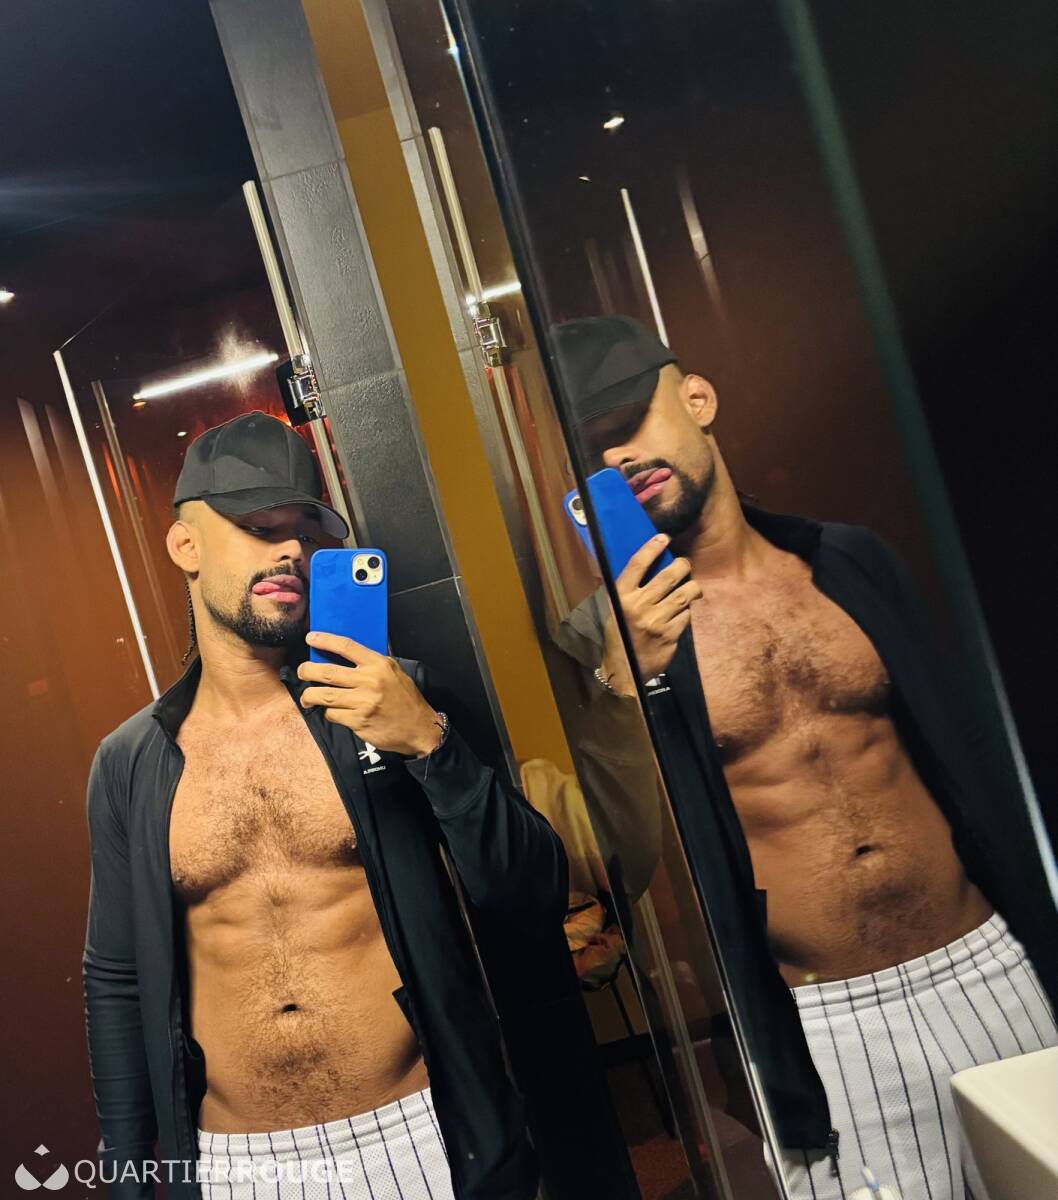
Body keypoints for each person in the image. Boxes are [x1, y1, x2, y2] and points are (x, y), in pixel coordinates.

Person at [550, 316, 1058, 1199]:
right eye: (592, 449)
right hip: (825, 1025)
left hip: (986, 965)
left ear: (697, 399)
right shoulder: (609, 642)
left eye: (629, 421)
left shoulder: (847, 563)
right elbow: (634, 854)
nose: (620, 456)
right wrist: (629, 683)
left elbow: (974, 754)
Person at [82, 410, 579, 1200]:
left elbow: (532, 896)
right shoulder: (130, 763)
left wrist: (430, 743)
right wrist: (128, 1172)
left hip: (415, 1134)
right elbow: (115, 978)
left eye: (304, 533)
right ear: (185, 546)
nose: (290, 551)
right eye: (258, 528)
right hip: (237, 1164)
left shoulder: (391, 703)